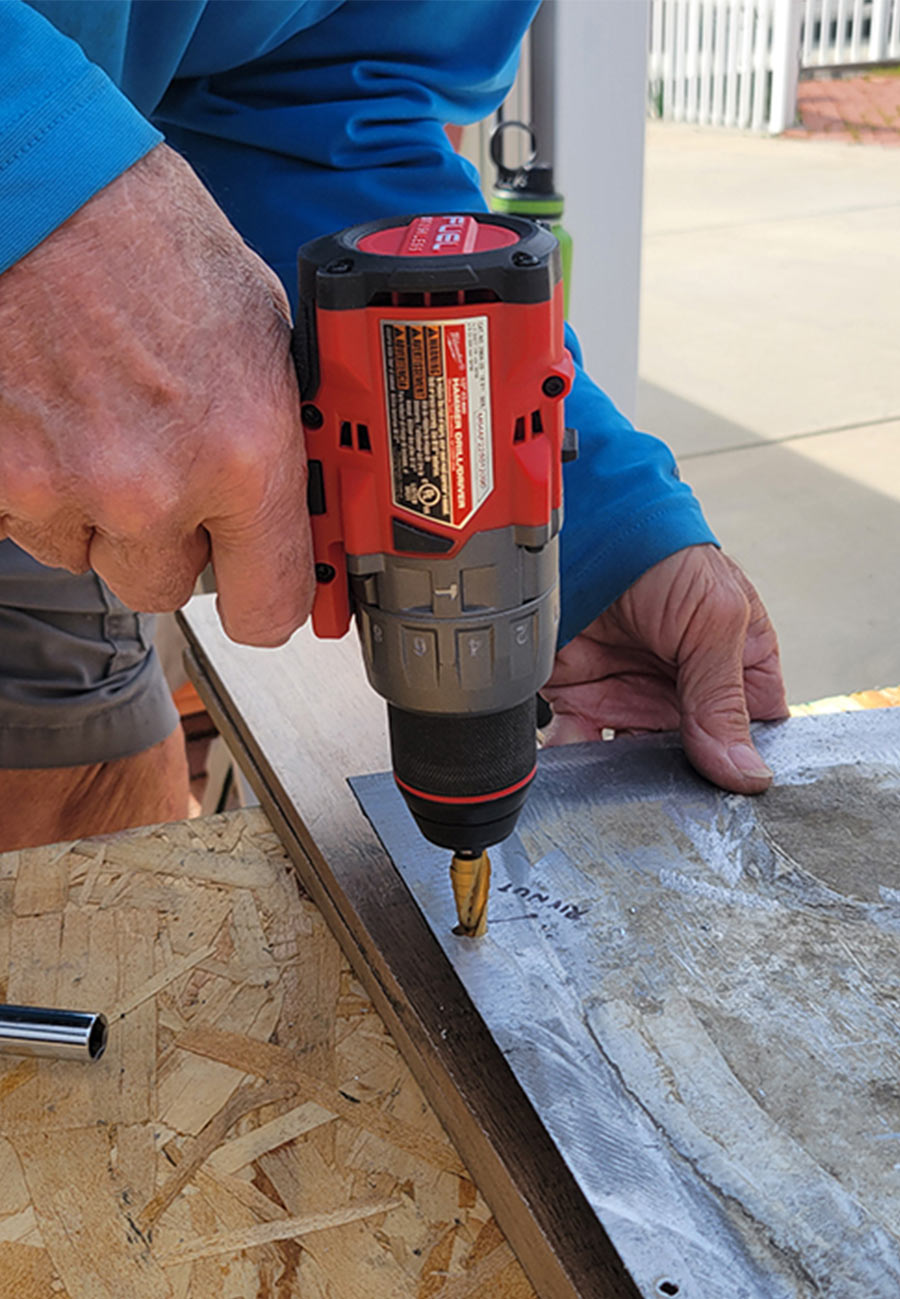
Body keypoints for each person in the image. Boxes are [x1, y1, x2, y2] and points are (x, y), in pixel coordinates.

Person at [0, 0, 787, 853]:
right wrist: (33, 182)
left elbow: (319, 112)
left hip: (67, 417)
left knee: (73, 788)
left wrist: (596, 529)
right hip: (55, 285)